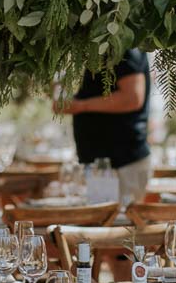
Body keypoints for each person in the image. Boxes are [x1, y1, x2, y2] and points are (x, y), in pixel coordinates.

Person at [54, 49, 152, 206]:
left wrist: (80, 105)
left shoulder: (124, 43)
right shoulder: (94, 47)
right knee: (99, 222)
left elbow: (132, 97)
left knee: (120, 226)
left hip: (122, 162)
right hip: (99, 163)